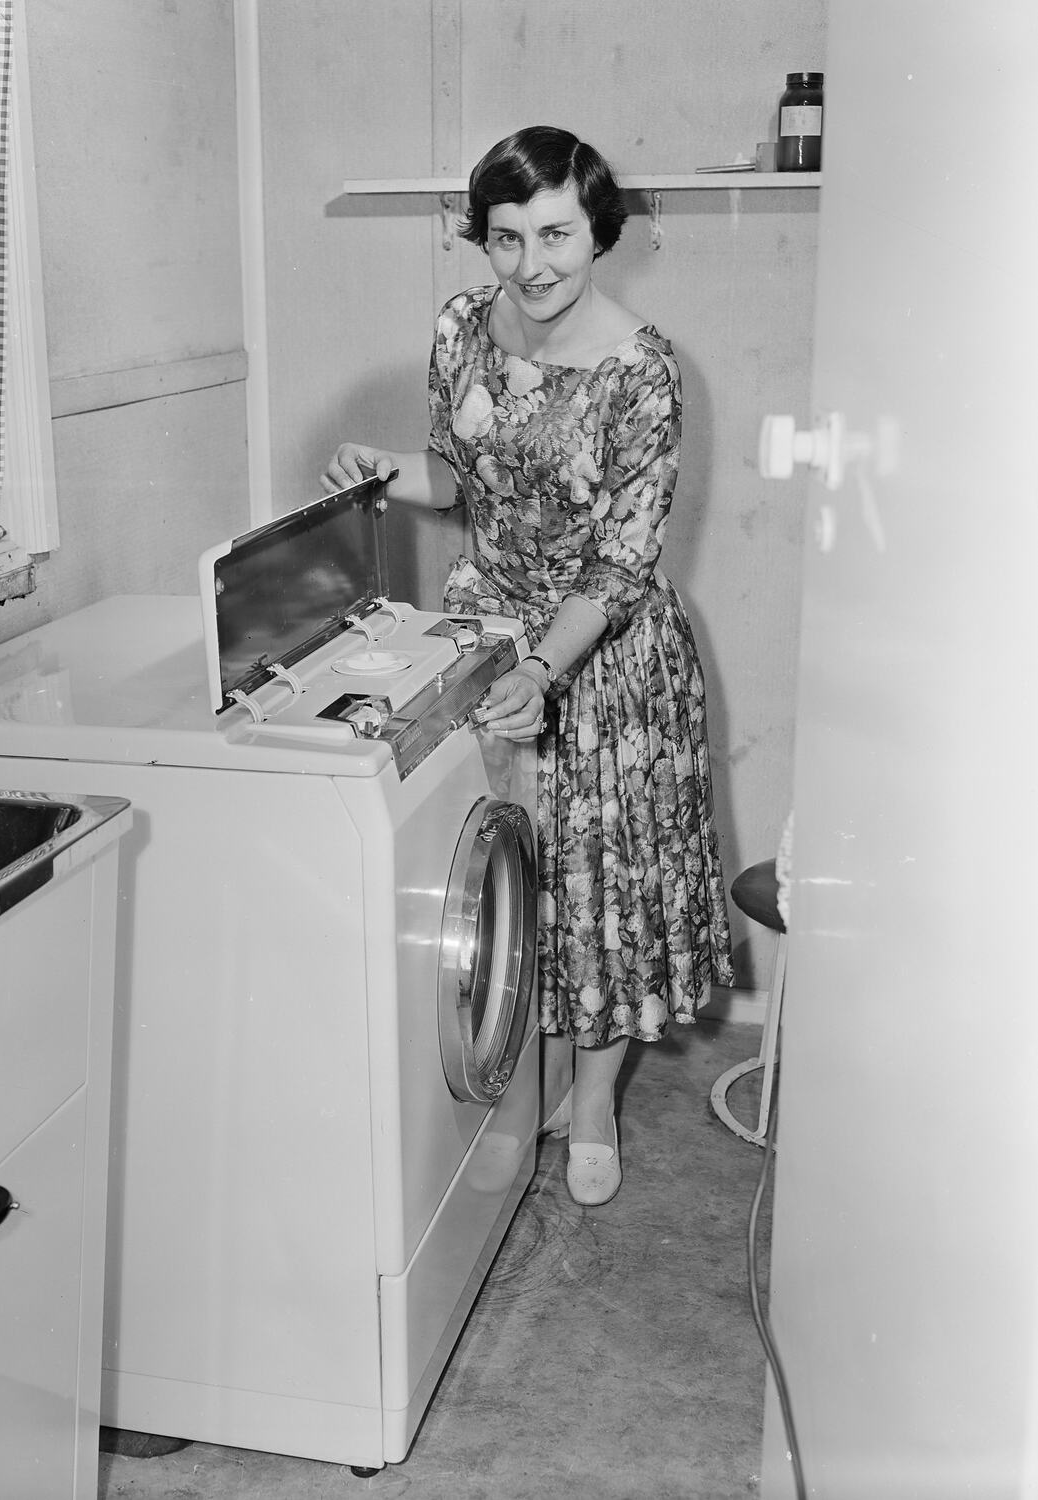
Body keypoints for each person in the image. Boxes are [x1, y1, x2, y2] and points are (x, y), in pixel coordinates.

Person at [321, 125, 733, 1207]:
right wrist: (387, 472)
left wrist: (542, 671)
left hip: (602, 666)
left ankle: (591, 1104)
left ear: (597, 229)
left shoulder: (641, 372)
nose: (529, 264)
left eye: (553, 234)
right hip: (482, 642)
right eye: (504, 238)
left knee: (595, 895)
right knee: (499, 880)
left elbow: (623, 561)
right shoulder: (462, 326)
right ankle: (519, 1084)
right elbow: (458, 480)